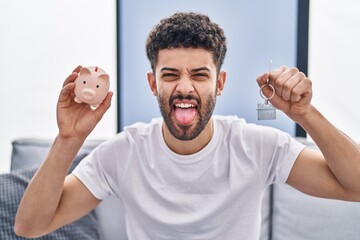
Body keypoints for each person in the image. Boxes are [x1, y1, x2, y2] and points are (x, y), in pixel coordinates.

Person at [15, 12, 360, 239]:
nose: (184, 87)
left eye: (199, 74)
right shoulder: (123, 153)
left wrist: (305, 114)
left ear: (220, 83)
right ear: (153, 84)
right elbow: (30, 226)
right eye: (170, 75)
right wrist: (68, 138)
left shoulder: (257, 147)